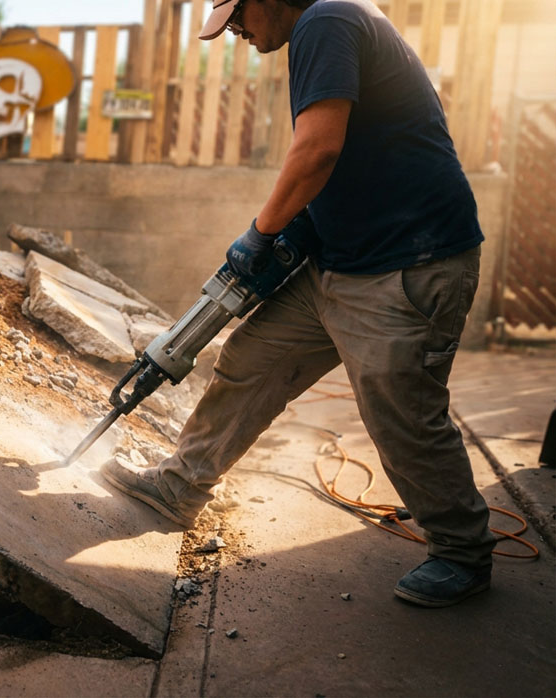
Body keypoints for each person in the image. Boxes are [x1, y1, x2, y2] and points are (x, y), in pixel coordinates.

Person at [102, 0, 495, 608]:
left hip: (408, 264)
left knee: (402, 414)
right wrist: (299, 231)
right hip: (340, 259)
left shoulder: (327, 19)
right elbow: (366, 148)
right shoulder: (337, 23)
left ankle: (462, 552)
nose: (238, 34)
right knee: (250, 361)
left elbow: (317, 151)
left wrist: (259, 234)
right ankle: (179, 486)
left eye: (238, 20)